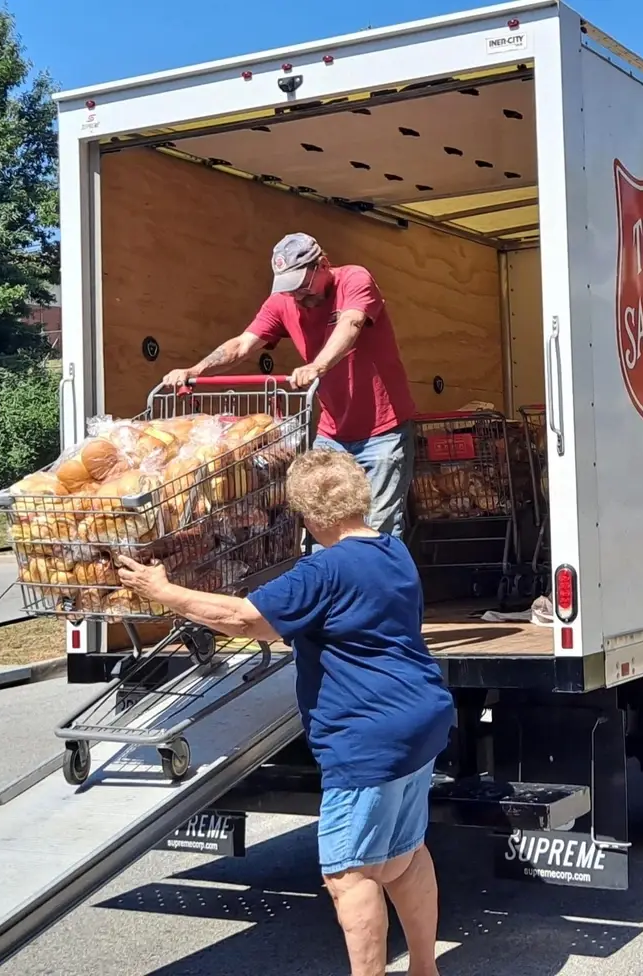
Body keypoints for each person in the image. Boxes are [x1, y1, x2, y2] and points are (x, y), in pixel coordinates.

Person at [117, 448, 453, 976]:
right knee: (402, 855)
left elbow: (244, 619)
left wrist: (163, 592)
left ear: (308, 516)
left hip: (368, 734)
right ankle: (425, 969)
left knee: (350, 875)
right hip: (421, 715)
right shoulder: (393, 550)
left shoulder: (322, 570)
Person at [162, 233, 418, 542]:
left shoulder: (354, 279)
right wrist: (195, 369)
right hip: (332, 433)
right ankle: (328, 575)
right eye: (289, 287)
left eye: (302, 285)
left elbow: (351, 323)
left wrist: (317, 366)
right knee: (322, 523)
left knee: (378, 524)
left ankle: (381, 574)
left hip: (383, 431)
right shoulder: (283, 302)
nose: (297, 295)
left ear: (322, 264)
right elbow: (242, 344)